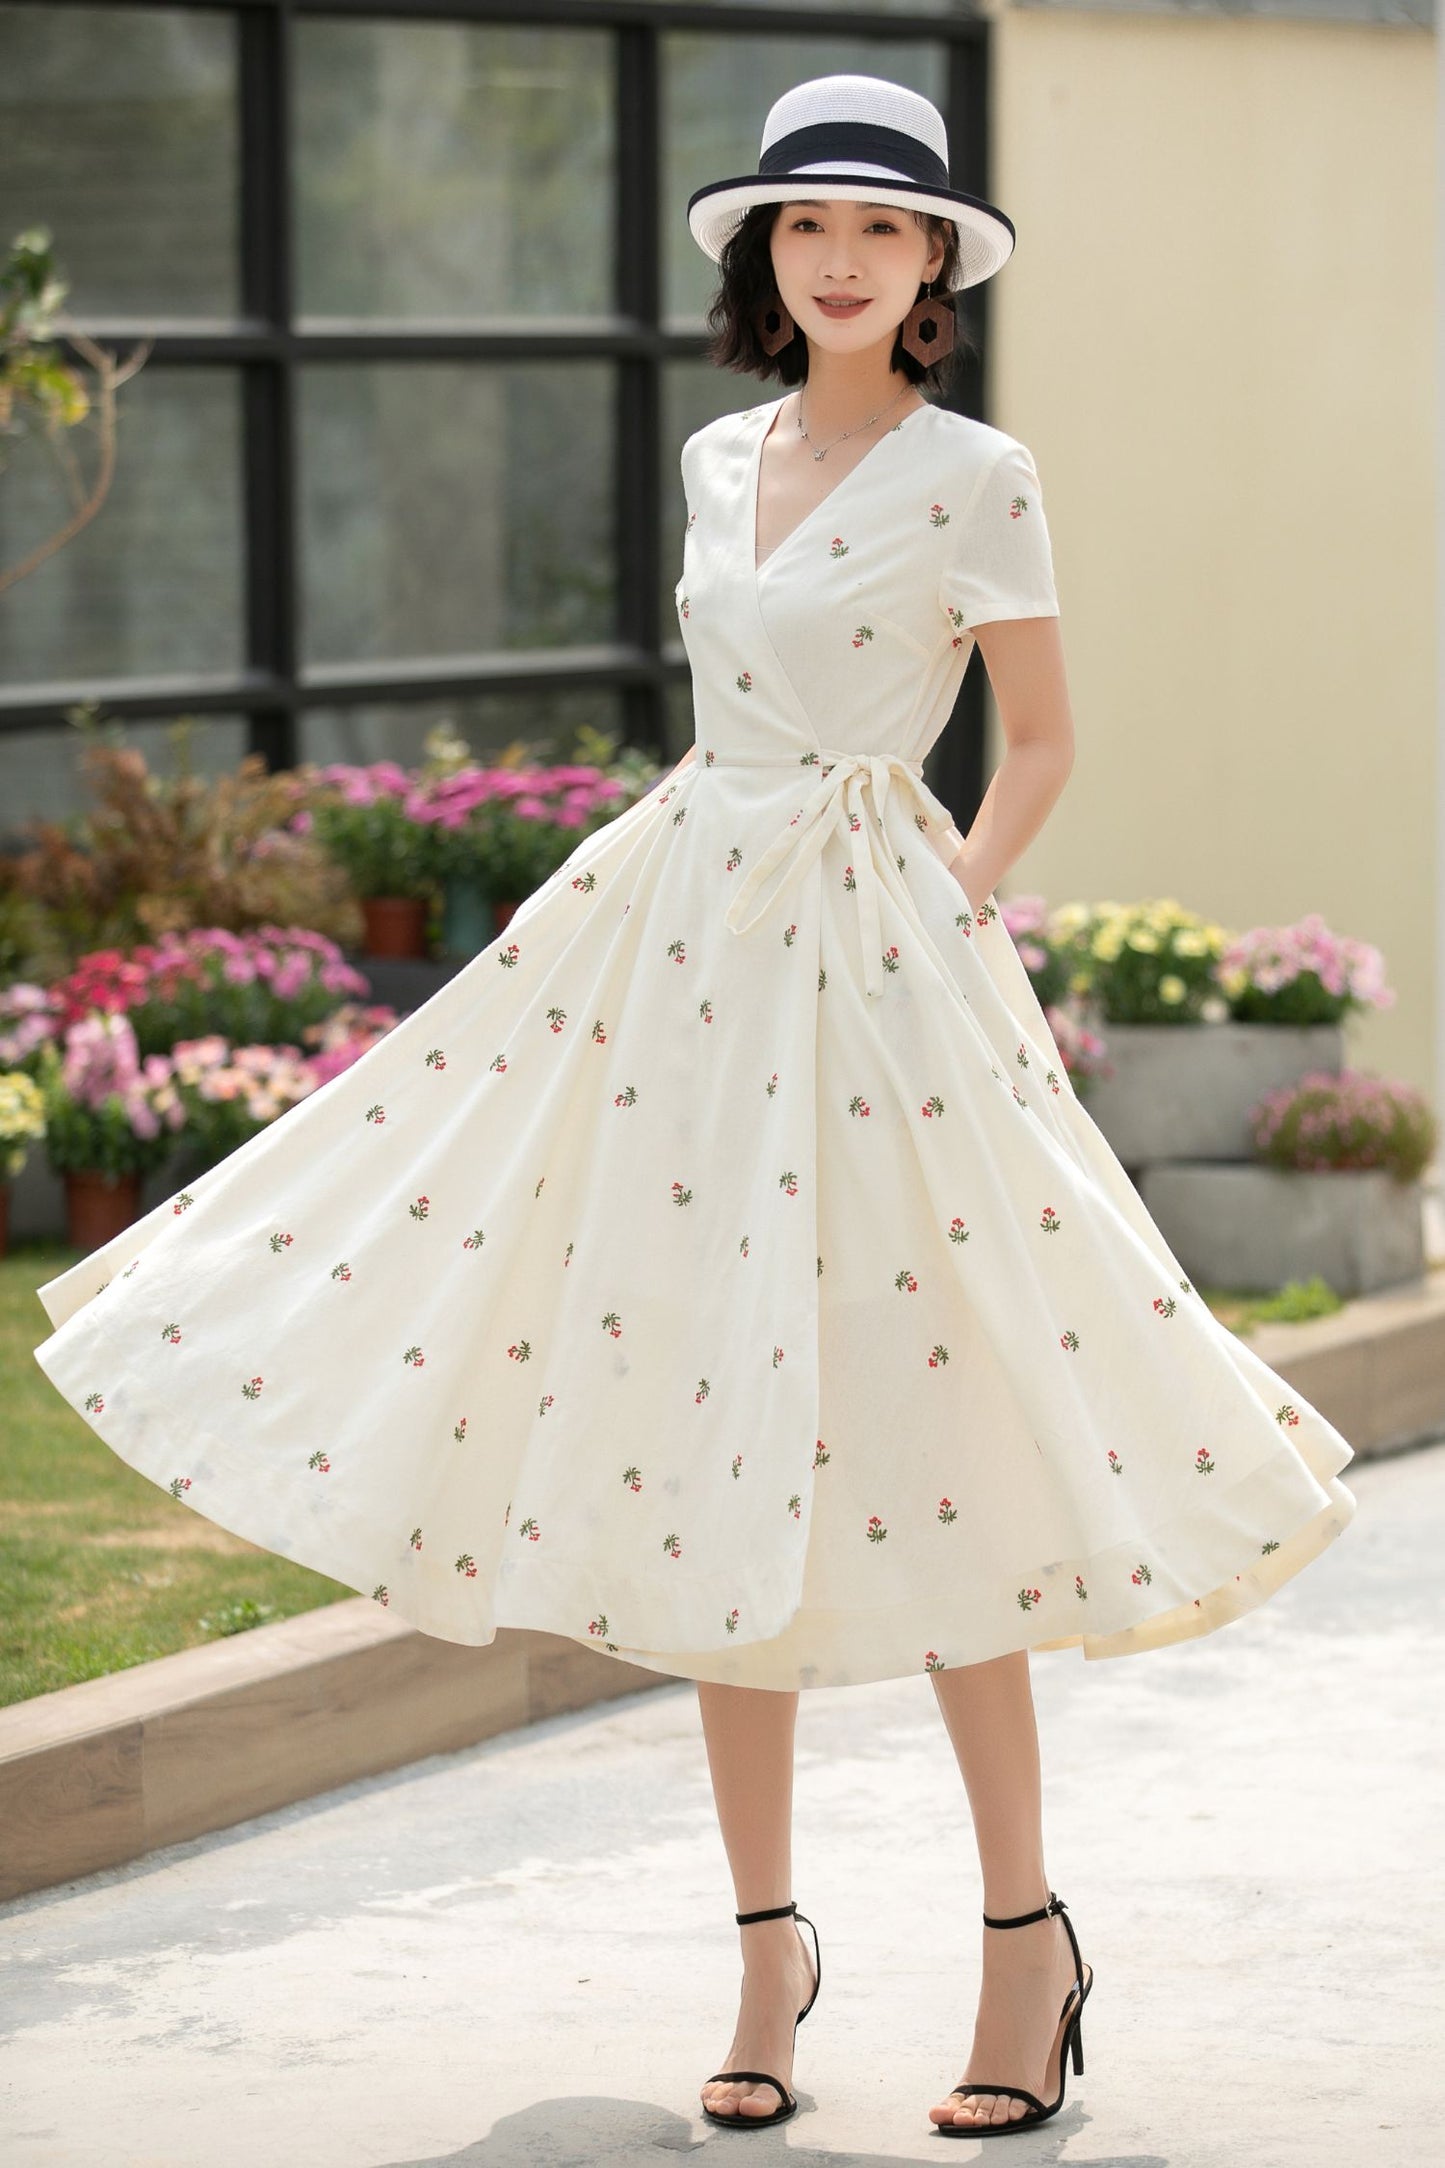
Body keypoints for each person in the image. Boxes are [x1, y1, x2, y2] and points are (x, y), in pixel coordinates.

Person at [32, 71, 1356, 2144]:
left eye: (881, 228)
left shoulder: (979, 473)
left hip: (881, 960)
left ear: (932, 265)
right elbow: (728, 710)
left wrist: (951, 897)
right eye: (806, 224)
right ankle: (764, 1955)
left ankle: (1025, 1947)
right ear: (766, 256)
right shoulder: (715, 454)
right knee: (705, 1429)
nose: (840, 258)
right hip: (686, 944)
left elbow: (1039, 739)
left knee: (941, 1439)